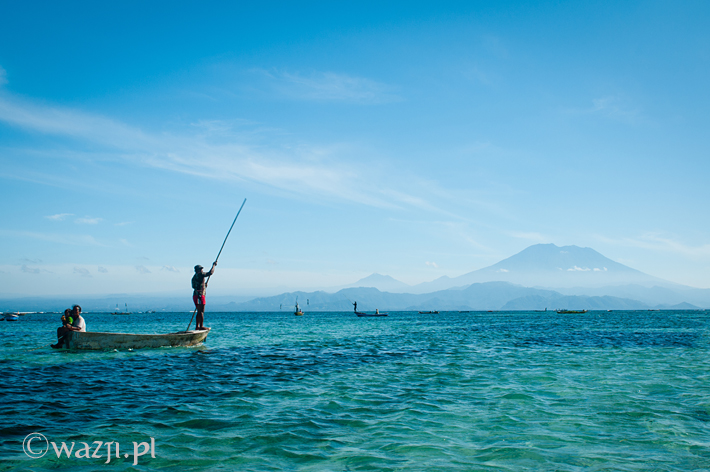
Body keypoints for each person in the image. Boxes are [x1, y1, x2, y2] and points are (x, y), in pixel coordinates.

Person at [192, 261, 216, 330]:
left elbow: (194, 286)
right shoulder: (200, 274)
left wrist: (204, 285)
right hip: (200, 295)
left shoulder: (194, 277)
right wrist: (213, 265)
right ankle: (201, 326)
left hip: (195, 295)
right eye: (201, 269)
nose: (202, 270)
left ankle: (197, 326)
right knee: (201, 311)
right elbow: (210, 273)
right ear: (198, 270)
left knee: (199, 311)